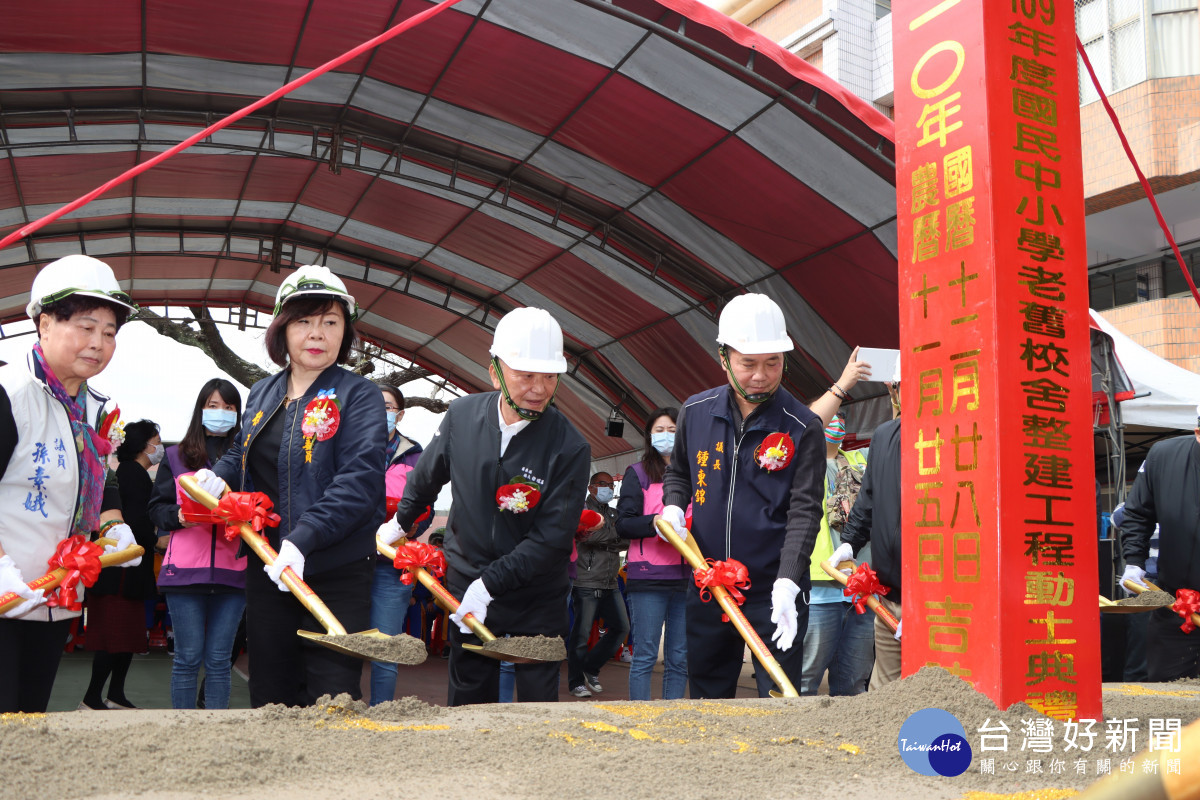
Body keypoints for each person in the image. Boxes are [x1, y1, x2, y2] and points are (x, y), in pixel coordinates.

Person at [192, 264, 386, 707]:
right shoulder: (262, 393)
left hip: (335, 568)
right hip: (269, 567)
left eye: (330, 322)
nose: (317, 334)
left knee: (331, 695)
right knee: (271, 690)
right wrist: (219, 475)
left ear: (345, 332)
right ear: (282, 329)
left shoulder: (360, 396)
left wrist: (303, 539)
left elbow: (360, 480)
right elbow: (241, 451)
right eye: (304, 321)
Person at [379, 306, 590, 706]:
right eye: (525, 375)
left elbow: (551, 539)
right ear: (496, 371)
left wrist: (490, 584)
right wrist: (400, 521)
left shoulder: (570, 446)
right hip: (467, 577)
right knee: (470, 695)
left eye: (549, 376)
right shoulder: (462, 415)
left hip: (535, 594)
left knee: (536, 704)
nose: (539, 388)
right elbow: (427, 476)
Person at [660, 293, 825, 698]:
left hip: (774, 588)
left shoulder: (802, 426)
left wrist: (788, 582)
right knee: (707, 694)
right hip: (710, 584)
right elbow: (679, 472)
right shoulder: (695, 411)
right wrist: (674, 504)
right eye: (748, 363)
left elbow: (804, 511)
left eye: (773, 363)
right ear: (723, 358)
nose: (761, 375)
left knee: (779, 695)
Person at [0, 254, 141, 713]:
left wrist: (114, 524)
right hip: (7, 591)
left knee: (29, 714)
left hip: (55, 595)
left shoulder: (98, 408)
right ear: (44, 324)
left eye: (109, 332)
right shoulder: (10, 392)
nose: (98, 343)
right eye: (85, 326)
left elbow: (103, 481)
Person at [148, 379, 246, 709]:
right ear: (201, 409)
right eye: (214, 406)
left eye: (229, 408)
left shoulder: (246, 457)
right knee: (187, 659)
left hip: (235, 571)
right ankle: (183, 733)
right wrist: (179, 516)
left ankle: (214, 736)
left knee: (219, 660)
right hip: (185, 572)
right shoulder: (176, 456)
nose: (221, 413)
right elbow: (156, 509)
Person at [80, 419, 161, 709]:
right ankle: (92, 697)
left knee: (127, 637)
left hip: (132, 568)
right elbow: (136, 523)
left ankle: (115, 694)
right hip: (118, 570)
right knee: (111, 636)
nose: (159, 448)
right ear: (143, 444)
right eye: (156, 441)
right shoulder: (128, 474)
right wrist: (157, 540)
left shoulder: (132, 473)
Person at [829, 375, 903, 689]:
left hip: (935, 600)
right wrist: (848, 543)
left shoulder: (953, 436)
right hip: (888, 594)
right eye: (899, 386)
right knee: (883, 692)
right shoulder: (885, 436)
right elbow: (867, 500)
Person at [1118, 405, 1200, 681]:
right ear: (1198, 432)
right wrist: (1134, 562)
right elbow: (1137, 514)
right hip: (1177, 602)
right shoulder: (1163, 457)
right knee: (1168, 691)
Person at [616, 407, 689, 700]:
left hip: (687, 577)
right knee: (645, 655)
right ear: (649, 435)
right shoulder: (638, 473)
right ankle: (640, 717)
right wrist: (655, 522)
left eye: (672, 430)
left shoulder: (694, 473)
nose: (666, 436)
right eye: (659, 430)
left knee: (679, 658)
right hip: (647, 577)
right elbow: (623, 524)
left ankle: (672, 718)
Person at [800, 414, 874, 696]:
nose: (837, 422)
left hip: (863, 588)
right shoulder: (797, 463)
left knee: (854, 681)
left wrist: (895, 394)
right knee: (806, 678)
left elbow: (900, 435)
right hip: (820, 590)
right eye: (829, 416)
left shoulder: (861, 459)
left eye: (841, 418)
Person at [369, 383, 427, 706]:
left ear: (400, 414)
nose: (383, 413)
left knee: (385, 649)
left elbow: (425, 502)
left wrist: (410, 523)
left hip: (392, 566)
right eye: (376, 405)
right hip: (348, 562)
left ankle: (381, 713)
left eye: (389, 407)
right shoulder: (346, 444)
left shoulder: (415, 454)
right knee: (342, 640)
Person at [566, 471, 629, 698]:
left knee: (621, 627)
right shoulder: (580, 510)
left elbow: (626, 538)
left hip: (610, 582)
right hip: (585, 580)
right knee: (581, 635)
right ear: (592, 487)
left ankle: (590, 668)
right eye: (604, 484)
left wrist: (603, 536)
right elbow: (587, 537)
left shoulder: (614, 513)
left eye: (612, 485)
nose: (609, 489)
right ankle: (576, 682)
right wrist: (610, 538)